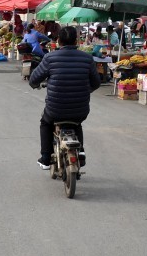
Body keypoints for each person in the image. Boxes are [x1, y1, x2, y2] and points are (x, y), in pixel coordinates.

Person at [28, 26, 100, 170]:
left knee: (45, 123)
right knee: (77, 123)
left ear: (59, 40)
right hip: (80, 109)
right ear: (76, 40)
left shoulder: (50, 58)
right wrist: (85, 90)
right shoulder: (87, 58)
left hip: (55, 110)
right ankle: (81, 152)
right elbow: (96, 83)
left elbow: (33, 79)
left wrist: (35, 84)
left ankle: (46, 158)